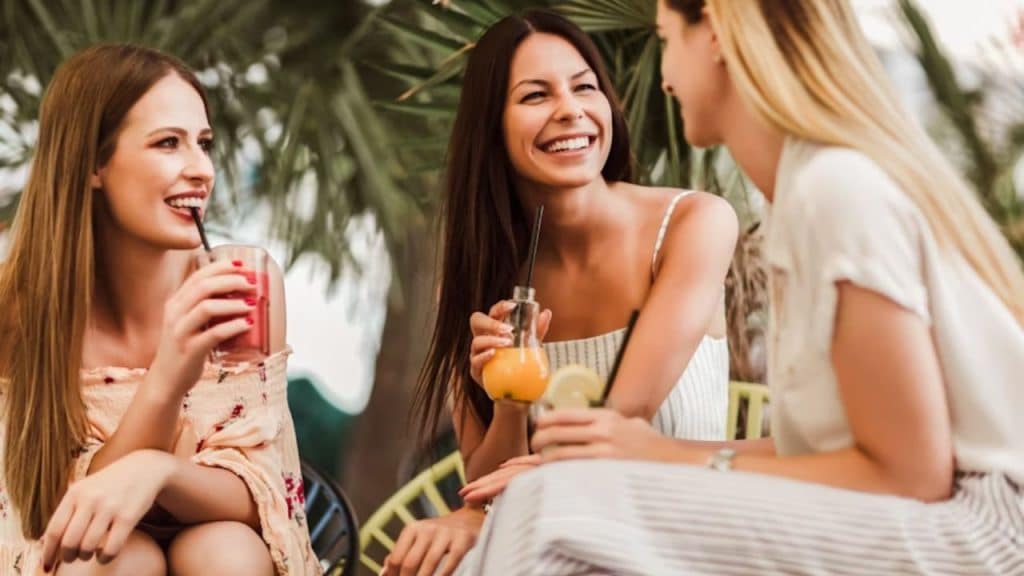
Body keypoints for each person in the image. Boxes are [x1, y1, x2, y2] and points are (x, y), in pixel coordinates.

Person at [455, 0, 1024, 573]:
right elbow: (827, 456)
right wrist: (651, 454)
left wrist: (659, 456)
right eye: (536, 94)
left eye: (666, 39)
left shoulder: (835, 190)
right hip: (944, 515)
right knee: (549, 505)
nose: (664, 75)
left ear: (717, 36)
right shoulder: (803, 194)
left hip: (986, 532)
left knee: (553, 512)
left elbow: (909, 475)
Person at [384, 9, 738, 576]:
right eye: (535, 96)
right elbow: (488, 485)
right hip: (553, 545)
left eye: (584, 87)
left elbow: (619, 422)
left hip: (678, 538)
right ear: (491, 126)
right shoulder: (479, 274)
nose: (570, 110)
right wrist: (509, 404)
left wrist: (483, 515)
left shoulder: (693, 224)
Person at [0, 44, 319, 575]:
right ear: (93, 163)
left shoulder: (242, 282)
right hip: (74, 560)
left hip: (229, 552)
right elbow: (56, 518)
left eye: (204, 143)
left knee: (224, 550)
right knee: (117, 558)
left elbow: (262, 491)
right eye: (168, 143)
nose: (201, 170)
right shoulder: (18, 307)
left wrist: (157, 471)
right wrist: (169, 375)